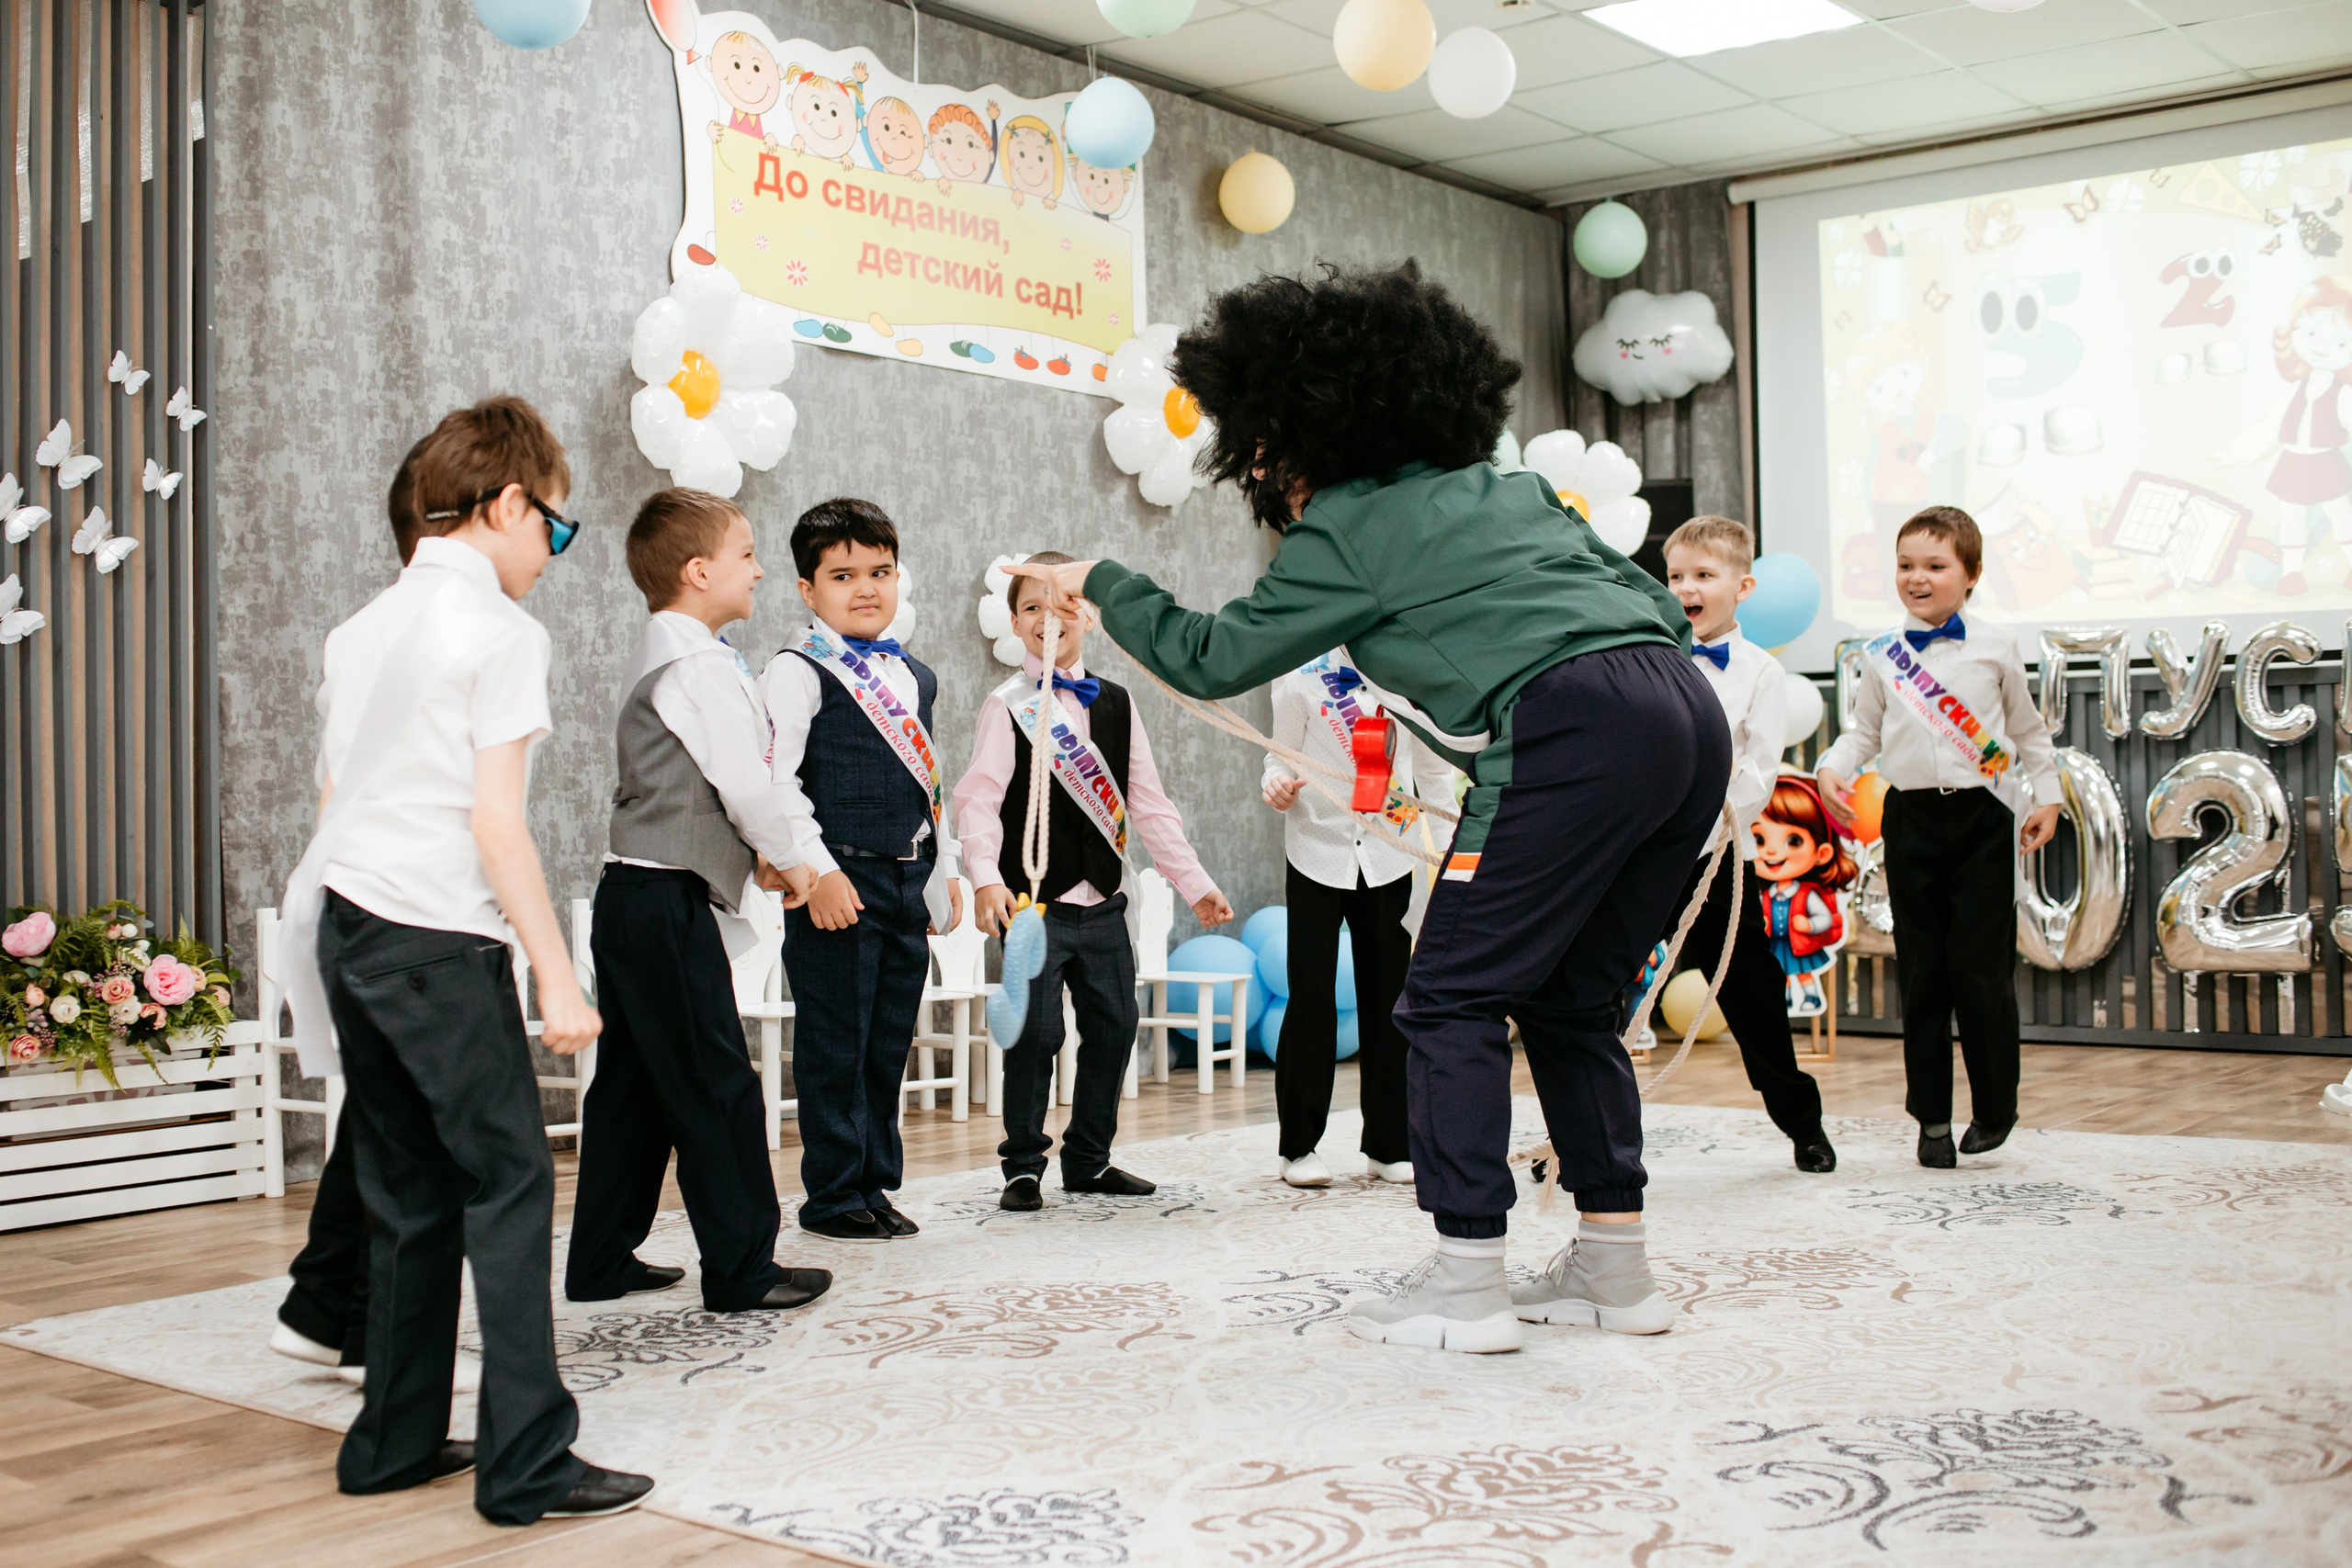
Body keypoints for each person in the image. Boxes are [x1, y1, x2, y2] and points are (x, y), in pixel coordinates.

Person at [1012, 262, 1726, 1356]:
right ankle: (1614, 1270)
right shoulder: (1513, 489)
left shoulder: (1345, 524)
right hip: (1684, 714)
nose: (1258, 469)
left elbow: (1209, 658)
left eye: (1260, 447)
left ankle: (1466, 1281)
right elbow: (1644, 604)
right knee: (1574, 1006)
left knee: (1445, 1001)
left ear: (1300, 432)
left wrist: (1106, 579)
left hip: (1569, 725)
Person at [277, 396, 650, 1522]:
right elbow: (497, 822)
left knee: (404, 1188)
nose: (553, 552)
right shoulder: (499, 631)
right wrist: (558, 973)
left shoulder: (358, 629)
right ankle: (528, 1461)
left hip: (349, 925)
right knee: (508, 1179)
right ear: (504, 504)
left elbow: (338, 797)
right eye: (556, 528)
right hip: (439, 935)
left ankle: (391, 1441)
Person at [564, 488, 834, 1314]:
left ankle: (601, 1257)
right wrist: (800, 863)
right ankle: (744, 1267)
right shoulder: (699, 665)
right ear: (698, 570)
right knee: (716, 1082)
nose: (758, 569)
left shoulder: (674, 652)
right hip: (661, 901)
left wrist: (753, 854)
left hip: (635, 898)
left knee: (636, 1088)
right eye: (748, 553)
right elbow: (746, 784)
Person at [951, 552, 1234, 1213]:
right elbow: (979, 801)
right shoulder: (1007, 705)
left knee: (1114, 1025)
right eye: (1031, 606)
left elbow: (1150, 804)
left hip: (1103, 905)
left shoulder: (1117, 703)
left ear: (1087, 615)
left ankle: (1089, 1157)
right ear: (1016, 622)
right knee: (1036, 1031)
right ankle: (1023, 1164)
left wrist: (1193, 882)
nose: (1048, 618)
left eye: (1062, 602)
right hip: (1033, 905)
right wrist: (986, 878)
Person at [1816, 505, 2061, 1169]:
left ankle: (1994, 1108)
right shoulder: (1882, 655)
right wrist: (1833, 767)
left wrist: (2049, 797)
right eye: (1904, 565)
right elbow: (1861, 732)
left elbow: (2030, 735)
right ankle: (1930, 1116)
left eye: (1934, 565)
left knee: (1981, 972)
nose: (1916, 578)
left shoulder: (1996, 647)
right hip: (1911, 820)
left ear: (1972, 573)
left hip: (1984, 817)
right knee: (1923, 973)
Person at [762, 499, 961, 1244]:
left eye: (880, 570)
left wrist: (943, 875)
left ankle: (874, 1182)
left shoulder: (916, 676)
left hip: (906, 879)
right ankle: (833, 1193)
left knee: (886, 1041)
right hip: (836, 881)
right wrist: (815, 871)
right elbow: (775, 783)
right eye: (843, 574)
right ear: (808, 589)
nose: (867, 587)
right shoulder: (796, 670)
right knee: (836, 1042)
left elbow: (929, 783)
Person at [1657, 516, 1838, 1173]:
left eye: (1703, 575)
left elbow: (1758, 771)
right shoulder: (1650, 659)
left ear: (1743, 585)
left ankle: (1803, 1125)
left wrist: (1700, 825)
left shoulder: (1760, 674)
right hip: (1637, 856)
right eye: (1676, 576)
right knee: (1597, 992)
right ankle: (1580, 1135)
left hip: (1715, 857)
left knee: (1753, 996)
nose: (1686, 588)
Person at [1261, 648, 1455, 1188]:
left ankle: (1389, 1144)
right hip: (1315, 853)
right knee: (1313, 1000)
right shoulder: (1300, 677)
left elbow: (1436, 776)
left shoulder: (1413, 673)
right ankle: (1297, 1148)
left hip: (1392, 854)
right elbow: (1279, 757)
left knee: (1389, 1002)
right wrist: (1274, 785)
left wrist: (1448, 852)